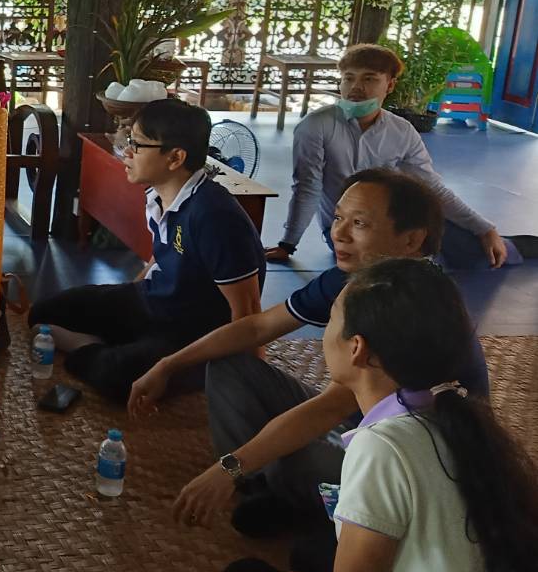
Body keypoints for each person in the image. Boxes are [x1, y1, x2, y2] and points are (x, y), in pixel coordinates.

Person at [218, 258, 538, 572]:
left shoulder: (382, 448)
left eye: (332, 320)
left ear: (357, 348)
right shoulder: (461, 415)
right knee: (310, 555)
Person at [132, 169, 492, 539]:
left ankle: (312, 507)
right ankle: (263, 489)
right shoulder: (357, 275)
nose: (339, 232)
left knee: (294, 461)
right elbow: (258, 328)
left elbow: (331, 405)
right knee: (230, 365)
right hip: (361, 422)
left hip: (408, 461)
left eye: (360, 223)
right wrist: (169, 364)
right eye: (337, 218)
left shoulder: (414, 304)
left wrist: (231, 465)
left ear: (412, 240)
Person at [30, 99, 265, 404]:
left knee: (117, 378)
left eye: (138, 145)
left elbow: (248, 313)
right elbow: (162, 255)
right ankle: (115, 346)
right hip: (153, 302)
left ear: (175, 157)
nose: (127, 152)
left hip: (192, 332)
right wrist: (124, 297)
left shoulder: (215, 216)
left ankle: (104, 351)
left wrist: (251, 383)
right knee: (43, 313)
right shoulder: (158, 194)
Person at [266, 43, 537, 271]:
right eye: (348, 78)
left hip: (394, 219)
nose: (355, 87)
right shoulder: (316, 126)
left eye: (369, 78)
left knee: (475, 248)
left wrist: (485, 229)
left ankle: (511, 244)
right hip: (348, 230)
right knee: (389, 263)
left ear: (390, 85)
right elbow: (307, 186)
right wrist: (288, 244)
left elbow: (431, 187)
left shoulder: (401, 130)